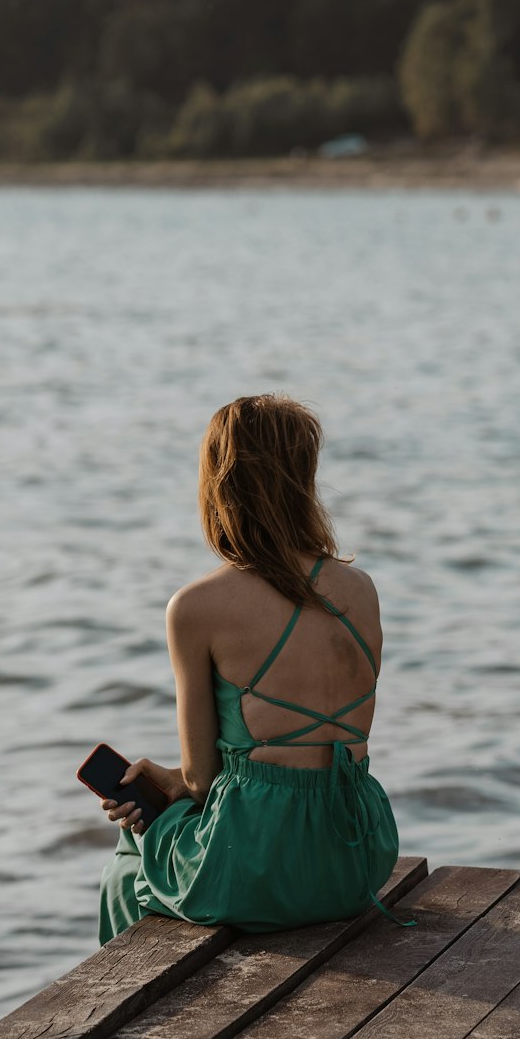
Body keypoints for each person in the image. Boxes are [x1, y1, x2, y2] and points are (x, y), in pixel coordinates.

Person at [97, 394, 415, 944]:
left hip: (260, 863)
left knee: (134, 854)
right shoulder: (361, 589)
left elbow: (202, 780)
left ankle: (127, 1015)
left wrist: (170, 785)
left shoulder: (196, 607)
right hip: (358, 854)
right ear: (304, 479)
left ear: (219, 485)